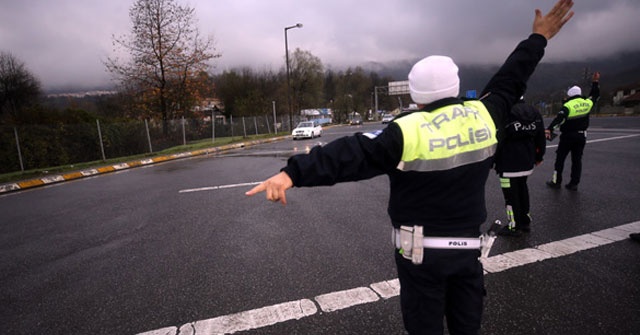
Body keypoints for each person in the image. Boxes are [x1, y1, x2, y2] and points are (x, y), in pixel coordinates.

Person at [246, 1, 575, 333]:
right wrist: (538, 38)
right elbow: (511, 78)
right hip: (468, 256)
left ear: (417, 96)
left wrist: (292, 173)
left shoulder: (405, 131)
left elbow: (351, 153)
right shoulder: (484, 114)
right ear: (456, 87)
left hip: (420, 257)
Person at [494, 97, 546, 236]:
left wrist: (491, 160)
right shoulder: (534, 111)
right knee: (523, 190)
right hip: (526, 161)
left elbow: (497, 138)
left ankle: (513, 226)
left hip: (507, 163)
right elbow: (540, 136)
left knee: (510, 197)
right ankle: (525, 221)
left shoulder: (504, 112)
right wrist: (539, 156)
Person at [545, 71, 600, 191]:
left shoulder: (568, 106)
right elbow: (595, 96)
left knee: (560, 159)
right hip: (581, 136)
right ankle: (574, 183)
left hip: (567, 137)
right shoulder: (587, 103)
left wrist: (549, 129)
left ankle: (556, 181)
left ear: (570, 95)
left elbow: (558, 120)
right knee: (577, 160)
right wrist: (595, 83)